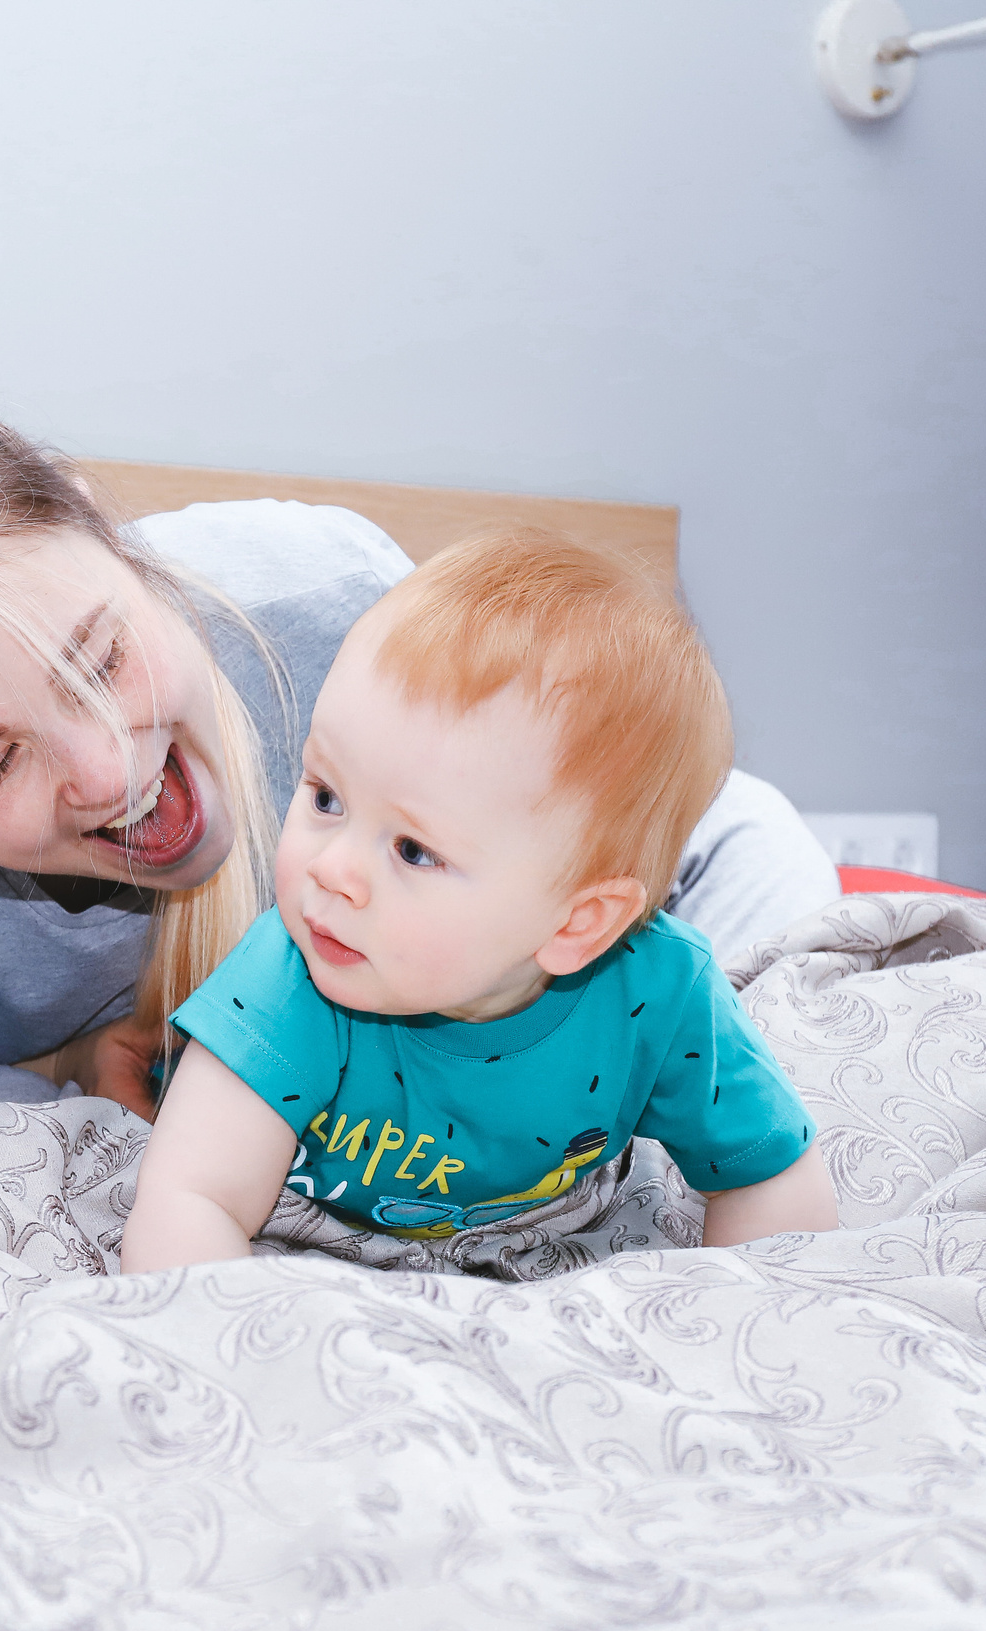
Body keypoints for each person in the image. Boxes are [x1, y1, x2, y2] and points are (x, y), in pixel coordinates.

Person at [0, 397, 840, 1114]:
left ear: (115, 541)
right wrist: (62, 1073)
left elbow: (723, 837)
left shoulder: (323, 604)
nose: (104, 770)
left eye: (99, 656)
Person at [121, 529, 840, 1268]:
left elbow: (774, 1175)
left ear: (577, 922)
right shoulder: (288, 973)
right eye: (327, 796)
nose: (332, 870)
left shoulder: (659, 991)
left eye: (413, 849)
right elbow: (189, 1200)